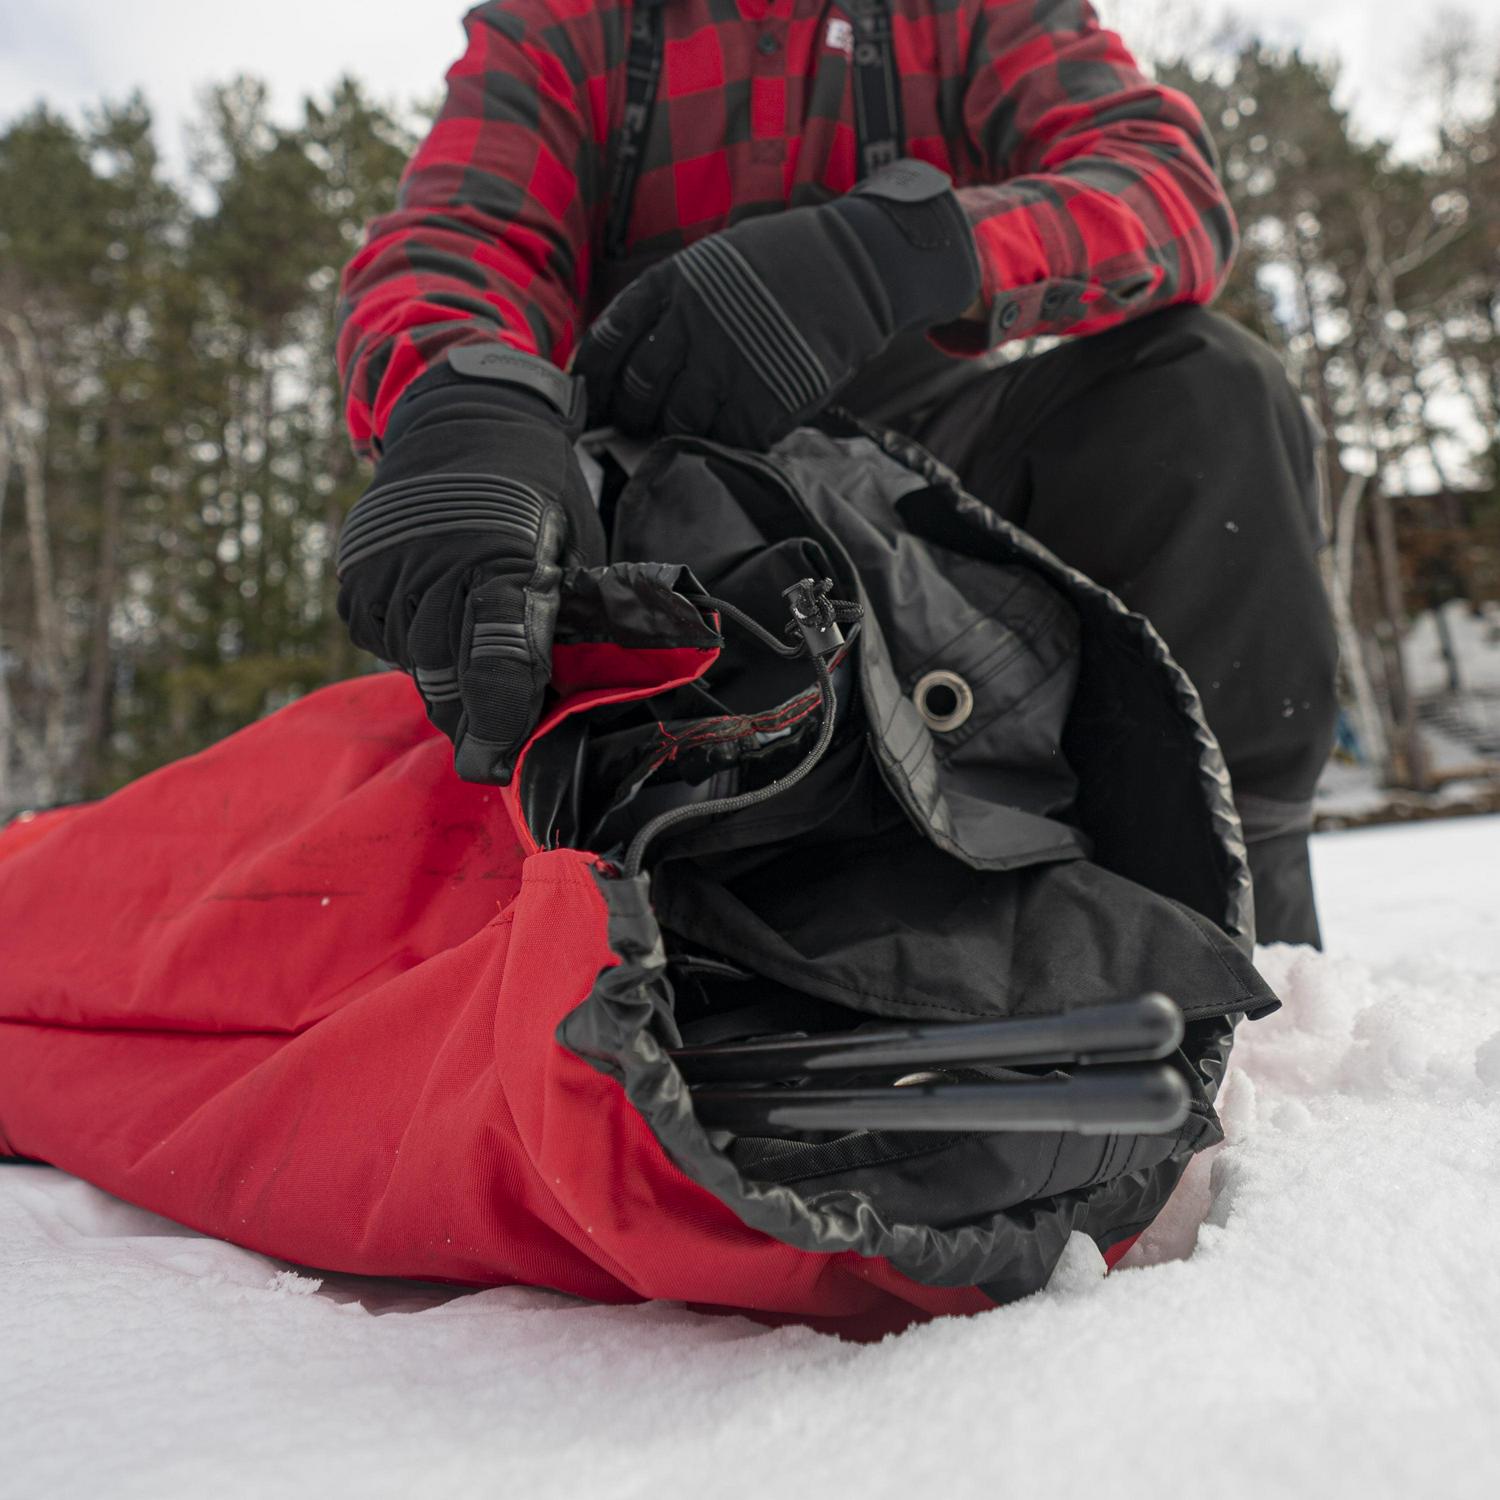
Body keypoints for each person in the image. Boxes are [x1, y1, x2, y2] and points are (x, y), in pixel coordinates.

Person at [333, 0, 1338, 944]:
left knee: (1206, 389)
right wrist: (463, 403)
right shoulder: (565, 25)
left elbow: (1163, 185)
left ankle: (1233, 928)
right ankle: (601, 926)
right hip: (666, 504)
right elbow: (460, 239)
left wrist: (900, 254)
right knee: (508, 553)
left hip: (938, 477)